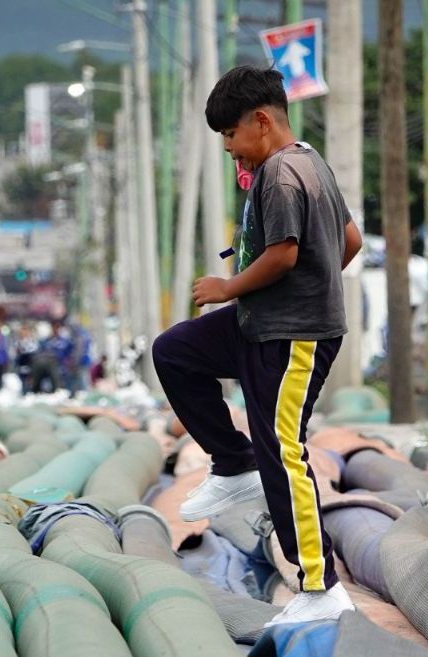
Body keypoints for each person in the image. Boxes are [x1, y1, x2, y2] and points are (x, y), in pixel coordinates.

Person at [151, 66, 364, 626]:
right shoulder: (312, 162)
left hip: (294, 336)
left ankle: (320, 588)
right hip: (261, 323)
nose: (228, 147)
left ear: (262, 122)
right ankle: (231, 460)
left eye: (230, 134)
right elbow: (350, 240)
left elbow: (283, 254)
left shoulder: (280, 173)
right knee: (175, 352)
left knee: (284, 450)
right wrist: (311, 284)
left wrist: (227, 288)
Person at [32, 319, 73, 394]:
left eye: (57, 327)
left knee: (53, 367)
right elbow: (39, 352)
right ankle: (35, 391)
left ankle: (57, 391)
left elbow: (68, 355)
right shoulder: (45, 341)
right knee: (38, 364)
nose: (55, 330)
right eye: (54, 327)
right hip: (45, 365)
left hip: (59, 365)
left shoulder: (64, 341)